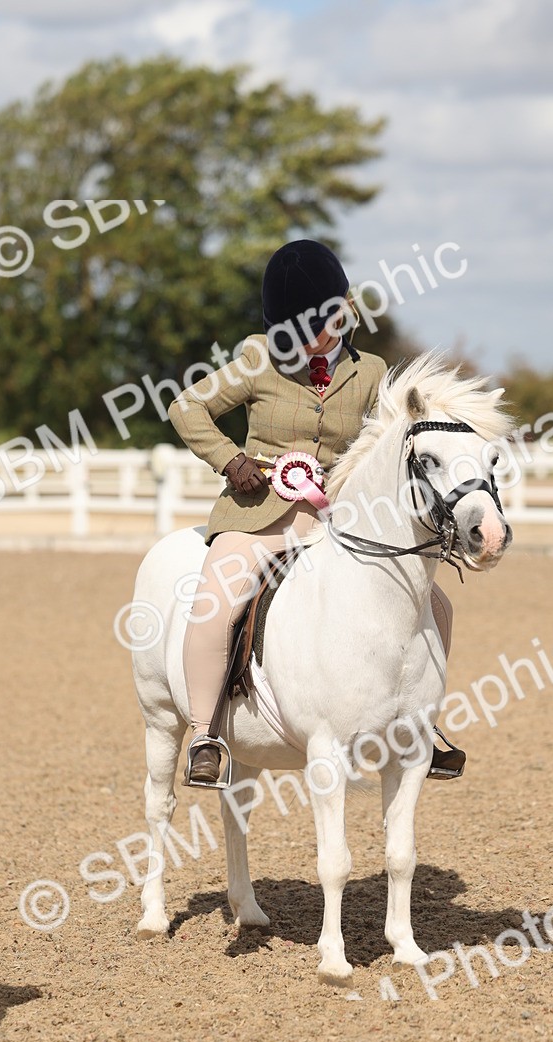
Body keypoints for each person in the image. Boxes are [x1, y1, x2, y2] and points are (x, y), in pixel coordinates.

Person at [168, 239, 461, 785]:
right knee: (216, 601)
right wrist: (231, 461)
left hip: (339, 524)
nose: (307, 342)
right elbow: (186, 406)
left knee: (436, 605)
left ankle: (423, 724)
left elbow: (403, 432)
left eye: (318, 325)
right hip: (260, 514)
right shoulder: (256, 359)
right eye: (295, 332)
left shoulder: (372, 371)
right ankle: (206, 733)